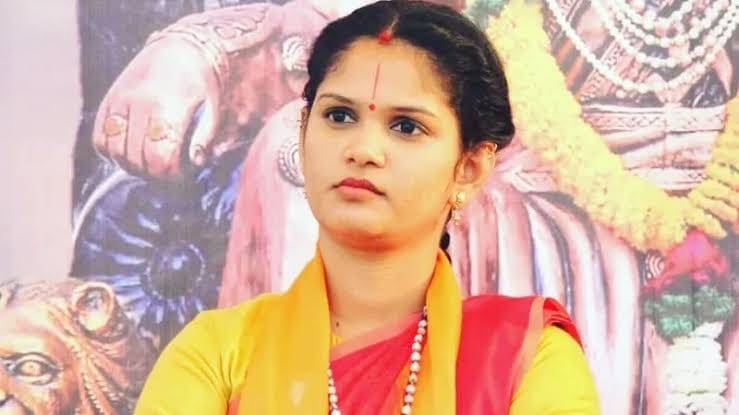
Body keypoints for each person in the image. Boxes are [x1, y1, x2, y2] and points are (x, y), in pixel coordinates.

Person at [134, 1, 600, 413]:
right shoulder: (217, 354)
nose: (363, 149)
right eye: (339, 116)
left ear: (469, 168)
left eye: (406, 126)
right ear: (304, 132)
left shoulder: (526, 356)